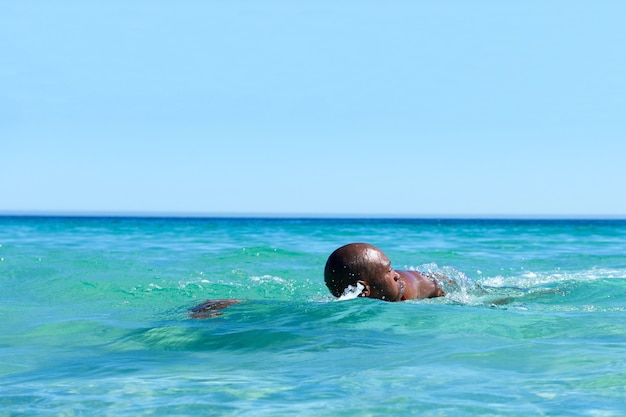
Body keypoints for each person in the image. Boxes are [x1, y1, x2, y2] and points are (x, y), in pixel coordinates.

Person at [324, 242, 445, 301]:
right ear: (363, 289)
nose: (397, 276)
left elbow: (438, 289)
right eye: (389, 271)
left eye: (391, 269)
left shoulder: (409, 289)